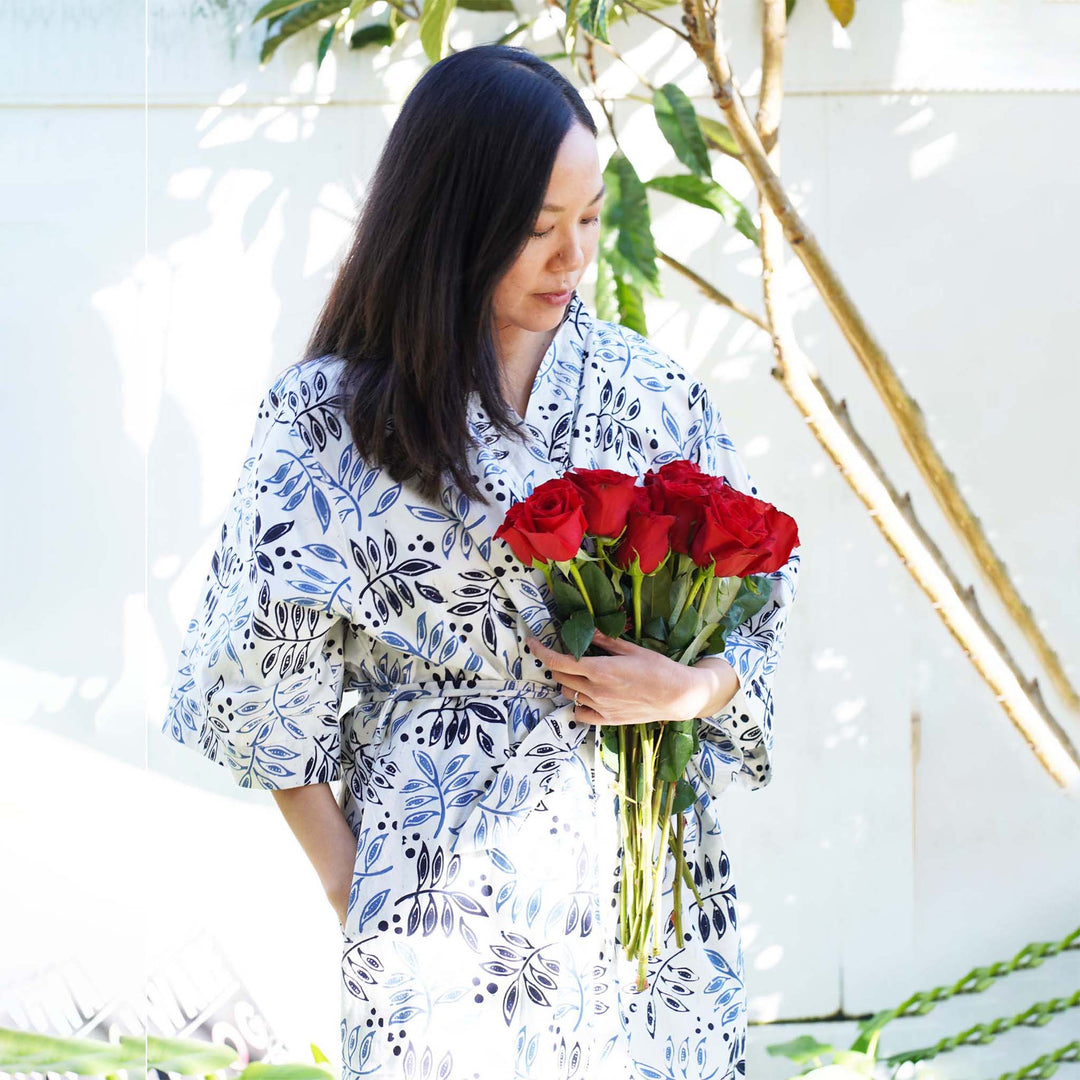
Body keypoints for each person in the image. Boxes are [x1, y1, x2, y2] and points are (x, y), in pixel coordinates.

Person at [161, 43, 800, 1080]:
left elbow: (761, 616)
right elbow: (257, 688)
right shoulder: (327, 420)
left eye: (589, 220)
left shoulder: (653, 395)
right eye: (539, 229)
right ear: (453, 223)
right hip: (436, 900)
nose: (573, 259)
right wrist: (357, 895)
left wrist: (690, 691)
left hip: (647, 896)